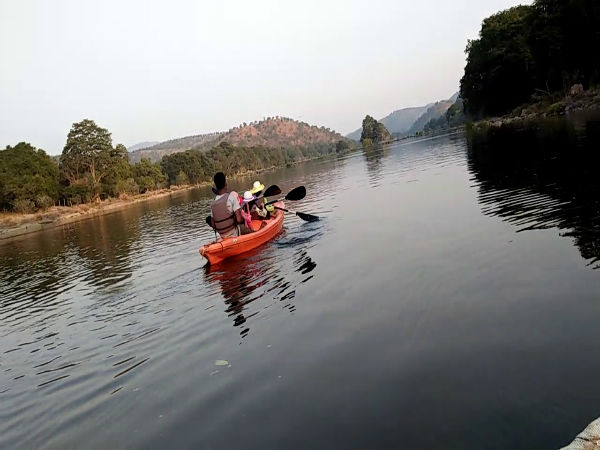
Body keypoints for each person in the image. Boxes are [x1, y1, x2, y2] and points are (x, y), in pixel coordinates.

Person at [210, 172, 252, 239]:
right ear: (225, 184)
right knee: (246, 229)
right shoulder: (231, 198)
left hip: (221, 234)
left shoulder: (213, 203)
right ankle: (255, 233)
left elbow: (213, 224)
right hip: (233, 232)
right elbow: (239, 220)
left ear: (216, 186)